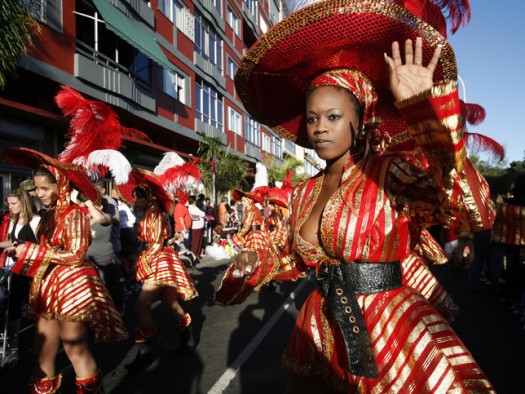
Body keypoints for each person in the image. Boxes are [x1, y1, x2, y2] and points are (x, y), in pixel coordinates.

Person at [231, 0, 496, 391]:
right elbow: (287, 251)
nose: (320, 128)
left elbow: (474, 210)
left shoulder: (390, 173)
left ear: (362, 119)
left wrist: (427, 114)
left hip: (388, 334)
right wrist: (256, 258)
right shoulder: (304, 192)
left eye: (334, 116)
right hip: (318, 330)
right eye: (312, 117)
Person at [0, 148, 128, 393]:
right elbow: (43, 248)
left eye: (46, 188)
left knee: (74, 349)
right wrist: (20, 247)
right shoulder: (48, 216)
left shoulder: (75, 215)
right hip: (48, 287)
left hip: (73, 288)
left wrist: (30, 250)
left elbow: (75, 255)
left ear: (61, 185)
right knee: (41, 353)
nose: (40, 194)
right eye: (37, 188)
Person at [116, 164, 199, 371]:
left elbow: (153, 245)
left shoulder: (153, 215)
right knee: (170, 302)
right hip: (161, 260)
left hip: (157, 262)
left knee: (141, 305)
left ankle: (145, 353)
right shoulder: (152, 213)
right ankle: (186, 341)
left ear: (148, 198)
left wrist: (141, 266)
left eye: (138, 198)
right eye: (134, 198)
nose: (134, 201)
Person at [214, 186, 281, 305]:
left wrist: (234, 240)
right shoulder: (254, 209)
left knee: (253, 255)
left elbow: (246, 227)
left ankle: (249, 274)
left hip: (254, 235)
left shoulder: (251, 210)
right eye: (243, 201)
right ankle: (261, 275)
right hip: (258, 235)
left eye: (244, 200)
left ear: (249, 201)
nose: (242, 202)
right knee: (266, 255)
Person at [0, 189, 40, 368]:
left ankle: (42, 346)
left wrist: (21, 249)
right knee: (14, 307)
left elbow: (41, 246)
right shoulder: (14, 221)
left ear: (23, 203)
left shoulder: (36, 221)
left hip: (34, 270)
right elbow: (13, 242)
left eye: (13, 203)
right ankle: (13, 347)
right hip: (17, 269)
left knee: (38, 308)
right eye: (9, 204)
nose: (10, 207)